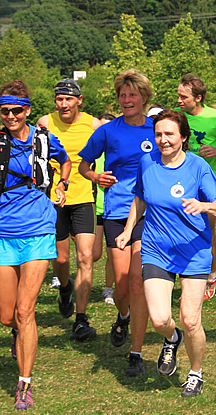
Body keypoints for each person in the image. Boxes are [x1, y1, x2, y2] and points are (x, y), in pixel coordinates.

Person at [0, 81, 71, 410]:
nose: (11, 116)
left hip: (39, 230)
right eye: (5, 111)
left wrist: (62, 185)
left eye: (17, 110)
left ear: (27, 110)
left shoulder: (44, 140)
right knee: (7, 315)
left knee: (26, 311)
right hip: (3, 233)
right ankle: (18, 335)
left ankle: (24, 383)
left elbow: (65, 161)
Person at [115, 110, 216, 397]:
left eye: (169, 134)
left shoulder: (198, 166)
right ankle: (172, 337)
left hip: (193, 250)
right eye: (158, 134)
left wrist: (204, 206)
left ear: (183, 137)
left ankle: (195, 374)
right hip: (156, 249)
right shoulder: (147, 162)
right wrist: (128, 231)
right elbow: (140, 198)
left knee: (190, 319)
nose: (163, 140)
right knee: (159, 319)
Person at [78, 69, 158, 377]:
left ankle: (136, 352)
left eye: (132, 95)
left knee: (138, 282)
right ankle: (123, 316)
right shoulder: (107, 131)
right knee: (122, 286)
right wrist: (95, 176)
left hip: (149, 213)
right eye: (122, 96)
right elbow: (83, 165)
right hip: (116, 213)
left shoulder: (156, 129)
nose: (127, 100)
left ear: (144, 97)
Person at [36, 78, 102, 341]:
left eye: (68, 99)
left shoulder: (93, 124)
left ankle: (81, 319)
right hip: (54, 198)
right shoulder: (45, 122)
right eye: (59, 99)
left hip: (84, 196)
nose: (63, 104)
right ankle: (65, 287)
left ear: (79, 101)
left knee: (86, 256)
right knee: (61, 259)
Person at [176, 73, 216, 300]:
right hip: (179, 182)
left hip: (206, 184)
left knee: (206, 231)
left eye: (184, 97)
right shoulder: (177, 118)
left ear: (198, 97)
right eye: (178, 96)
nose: (179, 100)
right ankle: (186, 279)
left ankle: (211, 273)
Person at [95, 113, 117, 306]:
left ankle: (108, 289)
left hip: (112, 209)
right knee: (94, 254)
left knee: (112, 254)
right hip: (94, 208)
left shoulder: (118, 151)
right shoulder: (93, 151)